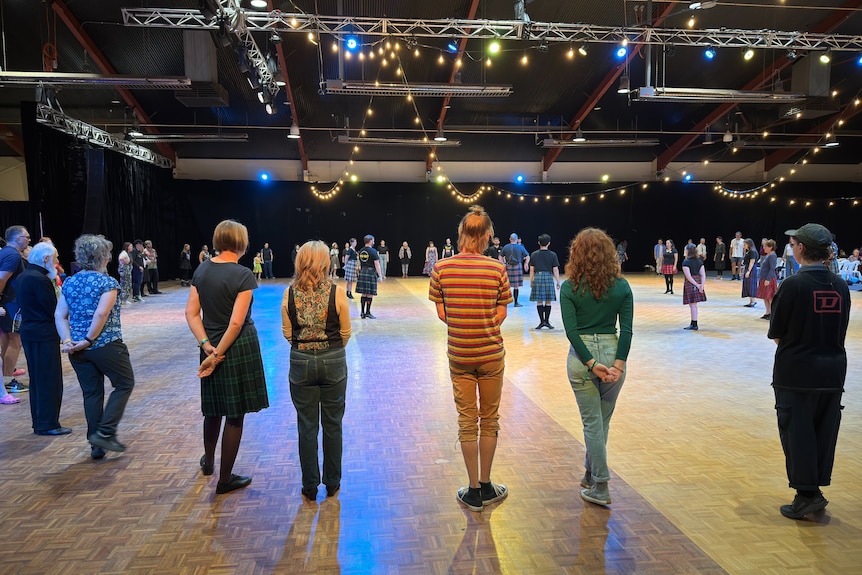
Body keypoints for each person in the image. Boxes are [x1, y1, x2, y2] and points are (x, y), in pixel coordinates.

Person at [428, 206, 512, 513]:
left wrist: (464, 323)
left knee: (467, 421)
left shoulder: (441, 268)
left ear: (462, 233)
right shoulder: (497, 268)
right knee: (489, 419)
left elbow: (441, 314)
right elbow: (502, 310)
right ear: (488, 235)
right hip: (491, 354)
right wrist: (485, 323)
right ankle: (488, 485)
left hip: (460, 354)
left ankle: (473, 489)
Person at [768, 223, 850, 520]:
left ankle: (807, 495)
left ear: (800, 248)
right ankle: (813, 490)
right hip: (832, 373)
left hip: (797, 373)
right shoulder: (840, 286)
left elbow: (777, 333)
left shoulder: (792, 286)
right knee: (824, 432)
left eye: (793, 243)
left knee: (797, 432)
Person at [185, 220, 269, 495]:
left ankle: (208, 462)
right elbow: (236, 323)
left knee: (213, 409)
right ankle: (225, 479)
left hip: (210, 345)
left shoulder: (202, 269)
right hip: (236, 347)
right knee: (234, 414)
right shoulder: (243, 275)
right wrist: (218, 353)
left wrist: (207, 346)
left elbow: (191, 313)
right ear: (240, 242)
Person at [561, 227, 633, 507]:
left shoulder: (569, 288)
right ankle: (590, 474)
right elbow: (626, 331)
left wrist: (591, 363)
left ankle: (600, 485)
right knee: (601, 423)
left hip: (582, 359)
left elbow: (572, 331)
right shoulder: (623, 287)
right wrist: (617, 365)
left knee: (593, 424)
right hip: (613, 353)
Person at [281, 241, 351, 501]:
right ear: (326, 262)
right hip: (333, 358)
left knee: (307, 426)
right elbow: (345, 332)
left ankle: (309, 485)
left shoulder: (289, 294)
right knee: (333, 424)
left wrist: (304, 347)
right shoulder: (338, 292)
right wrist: (329, 348)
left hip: (300, 361)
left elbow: (287, 332)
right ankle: (332, 482)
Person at [55, 235, 135, 459]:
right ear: (101, 256)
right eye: (108, 253)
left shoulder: (70, 282)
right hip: (105, 344)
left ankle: (96, 445)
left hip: (78, 351)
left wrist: (68, 341)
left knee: (92, 394)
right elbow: (101, 313)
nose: (110, 256)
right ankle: (106, 432)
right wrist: (89, 339)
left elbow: (60, 315)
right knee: (125, 383)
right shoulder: (107, 282)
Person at [17, 242, 70, 435]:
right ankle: (48, 423)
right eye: (55, 258)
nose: (57, 263)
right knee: (49, 379)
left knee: (38, 380)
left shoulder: (25, 275)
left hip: (31, 332)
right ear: (46, 258)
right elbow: (52, 309)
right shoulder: (39, 279)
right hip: (43, 333)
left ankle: (40, 421)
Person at [0, 225, 30, 395]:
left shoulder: (5, 252)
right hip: (12, 305)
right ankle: (7, 381)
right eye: (26, 237)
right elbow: (1, 279)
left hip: (9, 304)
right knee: (14, 342)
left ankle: (4, 379)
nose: (29, 240)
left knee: (6, 341)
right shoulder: (11, 254)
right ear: (18, 238)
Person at [529, 234, 561, 330]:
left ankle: (541, 322)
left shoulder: (534, 254)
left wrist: (531, 280)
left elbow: (531, 269)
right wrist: (558, 281)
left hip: (538, 277)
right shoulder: (553, 254)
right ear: (549, 243)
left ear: (539, 242)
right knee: (548, 301)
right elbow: (555, 270)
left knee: (539, 301)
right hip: (548, 277)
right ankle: (547, 322)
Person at [681, 243, 707, 331]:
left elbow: (688, 277)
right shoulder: (699, 261)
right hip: (698, 282)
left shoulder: (686, 262)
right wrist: (701, 285)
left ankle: (694, 324)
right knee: (694, 305)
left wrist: (697, 285)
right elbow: (703, 275)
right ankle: (693, 323)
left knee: (692, 305)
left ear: (688, 251)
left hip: (691, 284)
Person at [356, 235, 382, 319]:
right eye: (373, 240)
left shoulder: (361, 251)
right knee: (370, 294)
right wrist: (380, 276)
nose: (374, 242)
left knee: (364, 293)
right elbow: (377, 264)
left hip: (363, 271)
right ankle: (368, 312)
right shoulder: (373, 251)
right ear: (370, 241)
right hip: (370, 272)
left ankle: (362, 312)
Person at [500, 233, 530, 307]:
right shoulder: (520, 247)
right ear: (517, 239)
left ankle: (504, 302)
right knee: (516, 286)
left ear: (510, 239)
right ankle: (516, 303)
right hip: (518, 266)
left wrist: (502, 263)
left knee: (506, 285)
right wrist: (526, 264)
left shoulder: (506, 247)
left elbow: (500, 256)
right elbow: (527, 256)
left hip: (508, 266)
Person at [758, 239, 779, 320]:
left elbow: (772, 269)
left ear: (771, 247)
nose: (764, 248)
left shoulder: (772, 256)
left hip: (768, 279)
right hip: (764, 278)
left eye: (765, 247)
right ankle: (768, 312)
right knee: (765, 296)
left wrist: (768, 279)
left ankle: (772, 313)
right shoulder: (768, 255)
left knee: (770, 297)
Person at [742, 238, 759, 308]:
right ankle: (751, 301)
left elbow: (752, 261)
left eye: (744, 244)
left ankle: (753, 301)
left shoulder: (752, 251)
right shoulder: (748, 251)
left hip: (751, 269)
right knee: (748, 285)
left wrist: (748, 271)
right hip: (748, 268)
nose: (744, 245)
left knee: (751, 285)